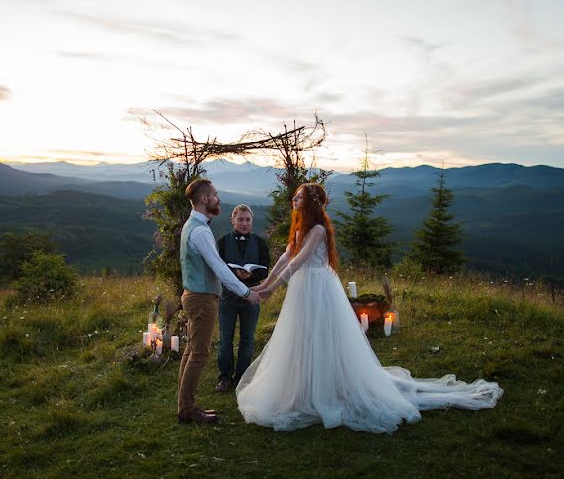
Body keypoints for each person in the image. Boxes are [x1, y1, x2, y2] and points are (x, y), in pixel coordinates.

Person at [237, 183, 502, 433]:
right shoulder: (299, 228)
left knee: (322, 335)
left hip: (318, 287)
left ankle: (327, 388)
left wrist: (273, 289)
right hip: (303, 289)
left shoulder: (317, 230)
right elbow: (287, 257)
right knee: (301, 336)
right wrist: (264, 284)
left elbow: (299, 262)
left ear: (309, 205)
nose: (293, 200)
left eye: (298, 198)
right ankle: (302, 386)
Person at [178, 179, 260, 424]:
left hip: (194, 295)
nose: (218, 199)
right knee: (199, 355)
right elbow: (221, 269)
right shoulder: (201, 231)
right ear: (204, 199)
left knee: (191, 352)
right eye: (215, 195)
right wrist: (247, 293)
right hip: (202, 299)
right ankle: (187, 410)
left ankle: (185, 405)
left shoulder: (192, 224)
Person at [215, 204, 271, 393]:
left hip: (251, 297)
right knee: (225, 339)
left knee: (247, 339)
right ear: (233, 220)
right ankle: (224, 377)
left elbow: (265, 269)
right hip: (227, 298)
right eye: (241, 219)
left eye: (248, 219)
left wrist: (251, 276)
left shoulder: (260, 243)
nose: (245, 223)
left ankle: (242, 377)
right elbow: (217, 267)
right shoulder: (222, 242)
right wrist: (234, 274)